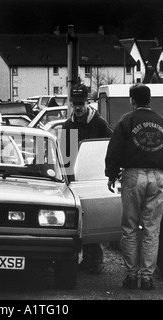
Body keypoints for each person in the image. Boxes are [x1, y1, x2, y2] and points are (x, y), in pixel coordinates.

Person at [104, 83, 163, 290]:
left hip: (133, 175)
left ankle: (131, 275)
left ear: (132, 100)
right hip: (158, 177)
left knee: (130, 228)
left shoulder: (126, 120)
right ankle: (146, 277)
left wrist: (111, 174)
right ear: (150, 99)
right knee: (151, 230)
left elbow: (114, 149)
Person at [60, 83, 113, 275]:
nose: (78, 107)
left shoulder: (98, 124)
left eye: (81, 103)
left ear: (87, 102)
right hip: (73, 180)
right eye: (75, 104)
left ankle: (95, 260)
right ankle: (80, 259)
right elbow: (65, 154)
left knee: (91, 220)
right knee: (76, 222)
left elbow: (111, 146)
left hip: (93, 179)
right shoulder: (68, 125)